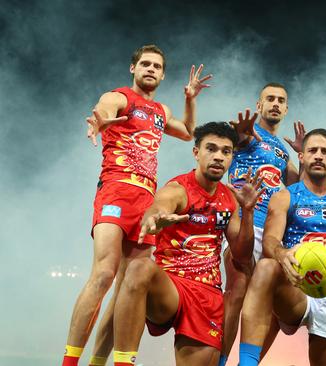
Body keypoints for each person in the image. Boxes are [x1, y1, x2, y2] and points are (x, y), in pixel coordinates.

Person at [62, 44, 212, 366]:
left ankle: (97, 362)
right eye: (145, 64)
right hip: (116, 191)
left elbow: (187, 133)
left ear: (162, 74)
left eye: (157, 66)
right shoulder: (119, 97)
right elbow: (105, 108)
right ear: (133, 68)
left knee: (126, 291)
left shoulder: (160, 110)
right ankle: (69, 362)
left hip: (146, 202)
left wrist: (190, 99)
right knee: (104, 273)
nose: (151, 69)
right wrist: (99, 122)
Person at [111, 122, 262, 366]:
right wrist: (155, 219)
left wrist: (248, 211)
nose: (218, 157)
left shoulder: (230, 199)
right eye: (211, 149)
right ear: (196, 153)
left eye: (226, 151)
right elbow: (158, 207)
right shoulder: (178, 189)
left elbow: (243, 256)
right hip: (170, 288)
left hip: (206, 296)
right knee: (140, 267)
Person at [238, 128, 326, 366]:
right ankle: (246, 364)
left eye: (325, 151)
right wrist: (281, 253)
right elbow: (270, 240)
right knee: (266, 266)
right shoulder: (285, 197)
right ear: (301, 157)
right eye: (312, 150)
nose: (318, 156)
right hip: (296, 289)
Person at [218, 82, 302, 365]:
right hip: (243, 224)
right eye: (270, 99)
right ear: (259, 105)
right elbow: (239, 138)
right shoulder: (249, 134)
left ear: (287, 108)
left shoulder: (282, 152)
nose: (276, 103)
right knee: (237, 291)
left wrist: (301, 157)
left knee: (274, 306)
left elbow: (297, 189)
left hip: (271, 234)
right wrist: (239, 134)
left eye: (281, 100)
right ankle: (218, 361)